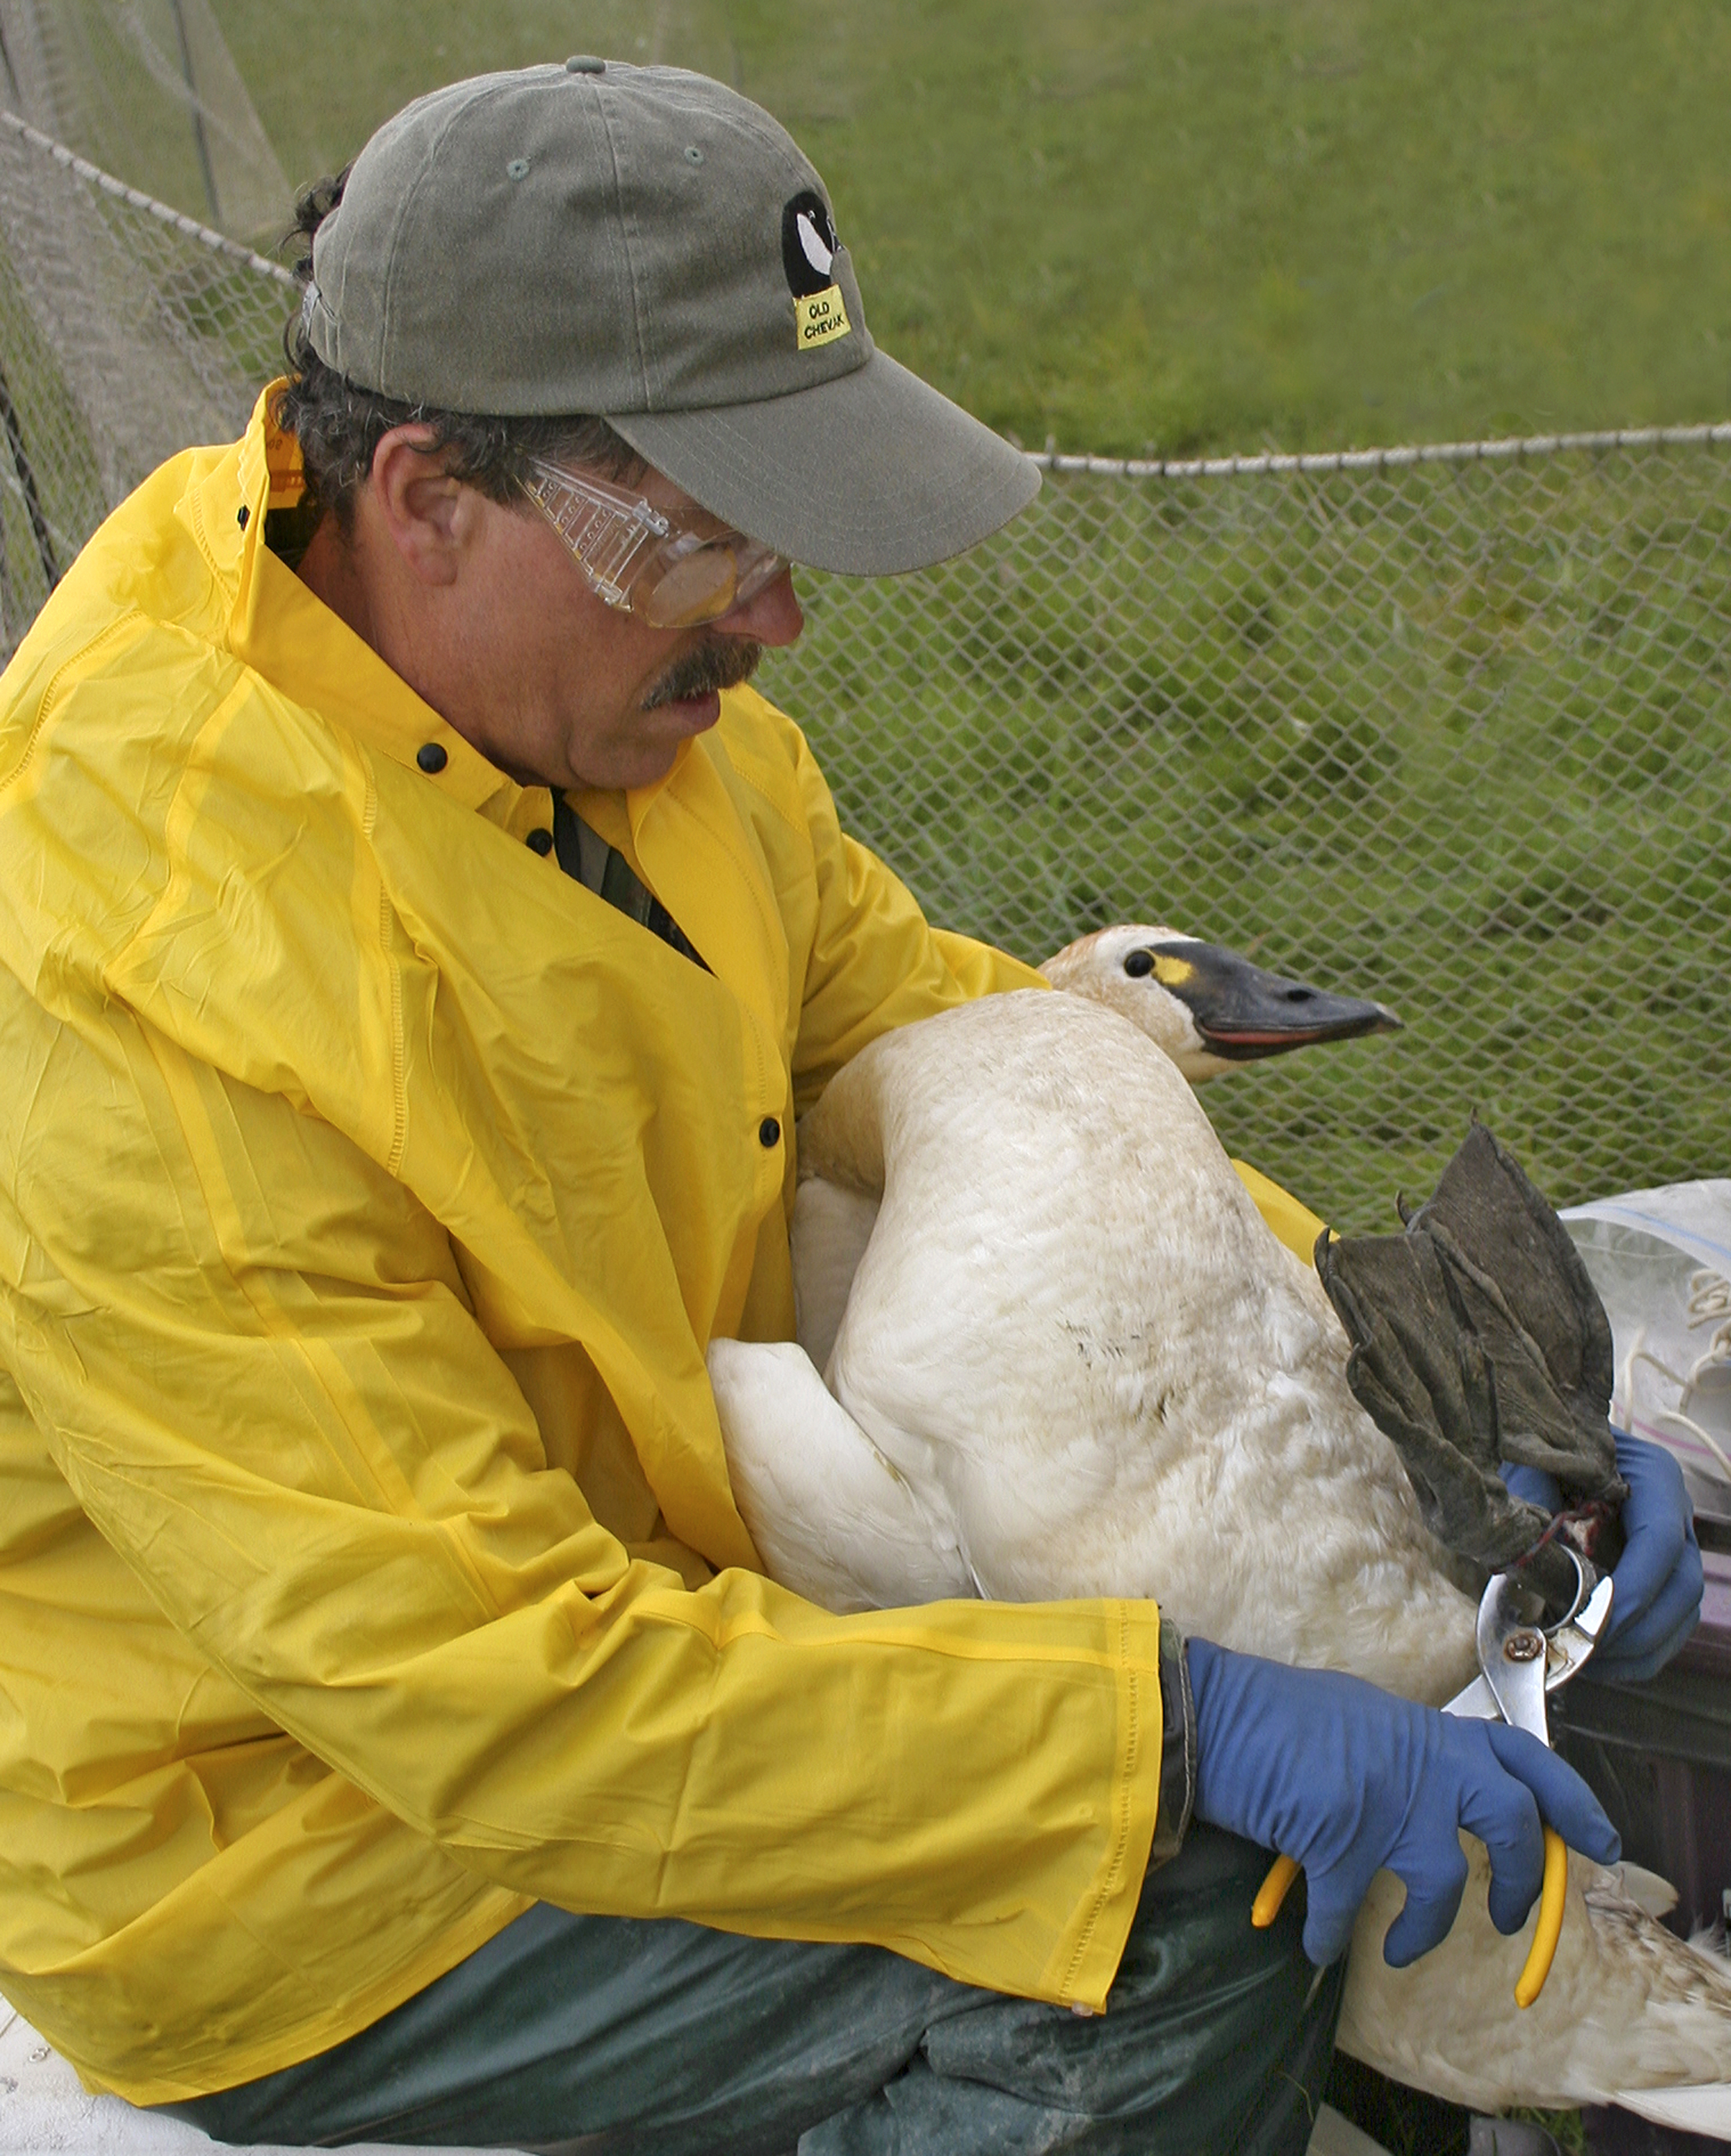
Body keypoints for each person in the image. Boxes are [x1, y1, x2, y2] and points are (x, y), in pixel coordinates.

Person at [0, 60, 1700, 2155]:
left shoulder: (617, 726)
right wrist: (1169, 1734)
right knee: (1164, 1921)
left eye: (784, 530)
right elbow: (492, 1695)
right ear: (428, 496)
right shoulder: (150, 974)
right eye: (706, 540)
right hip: (322, 1855)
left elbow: (995, 1078)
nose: (778, 619)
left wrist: (1414, 1380)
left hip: (676, 1604)